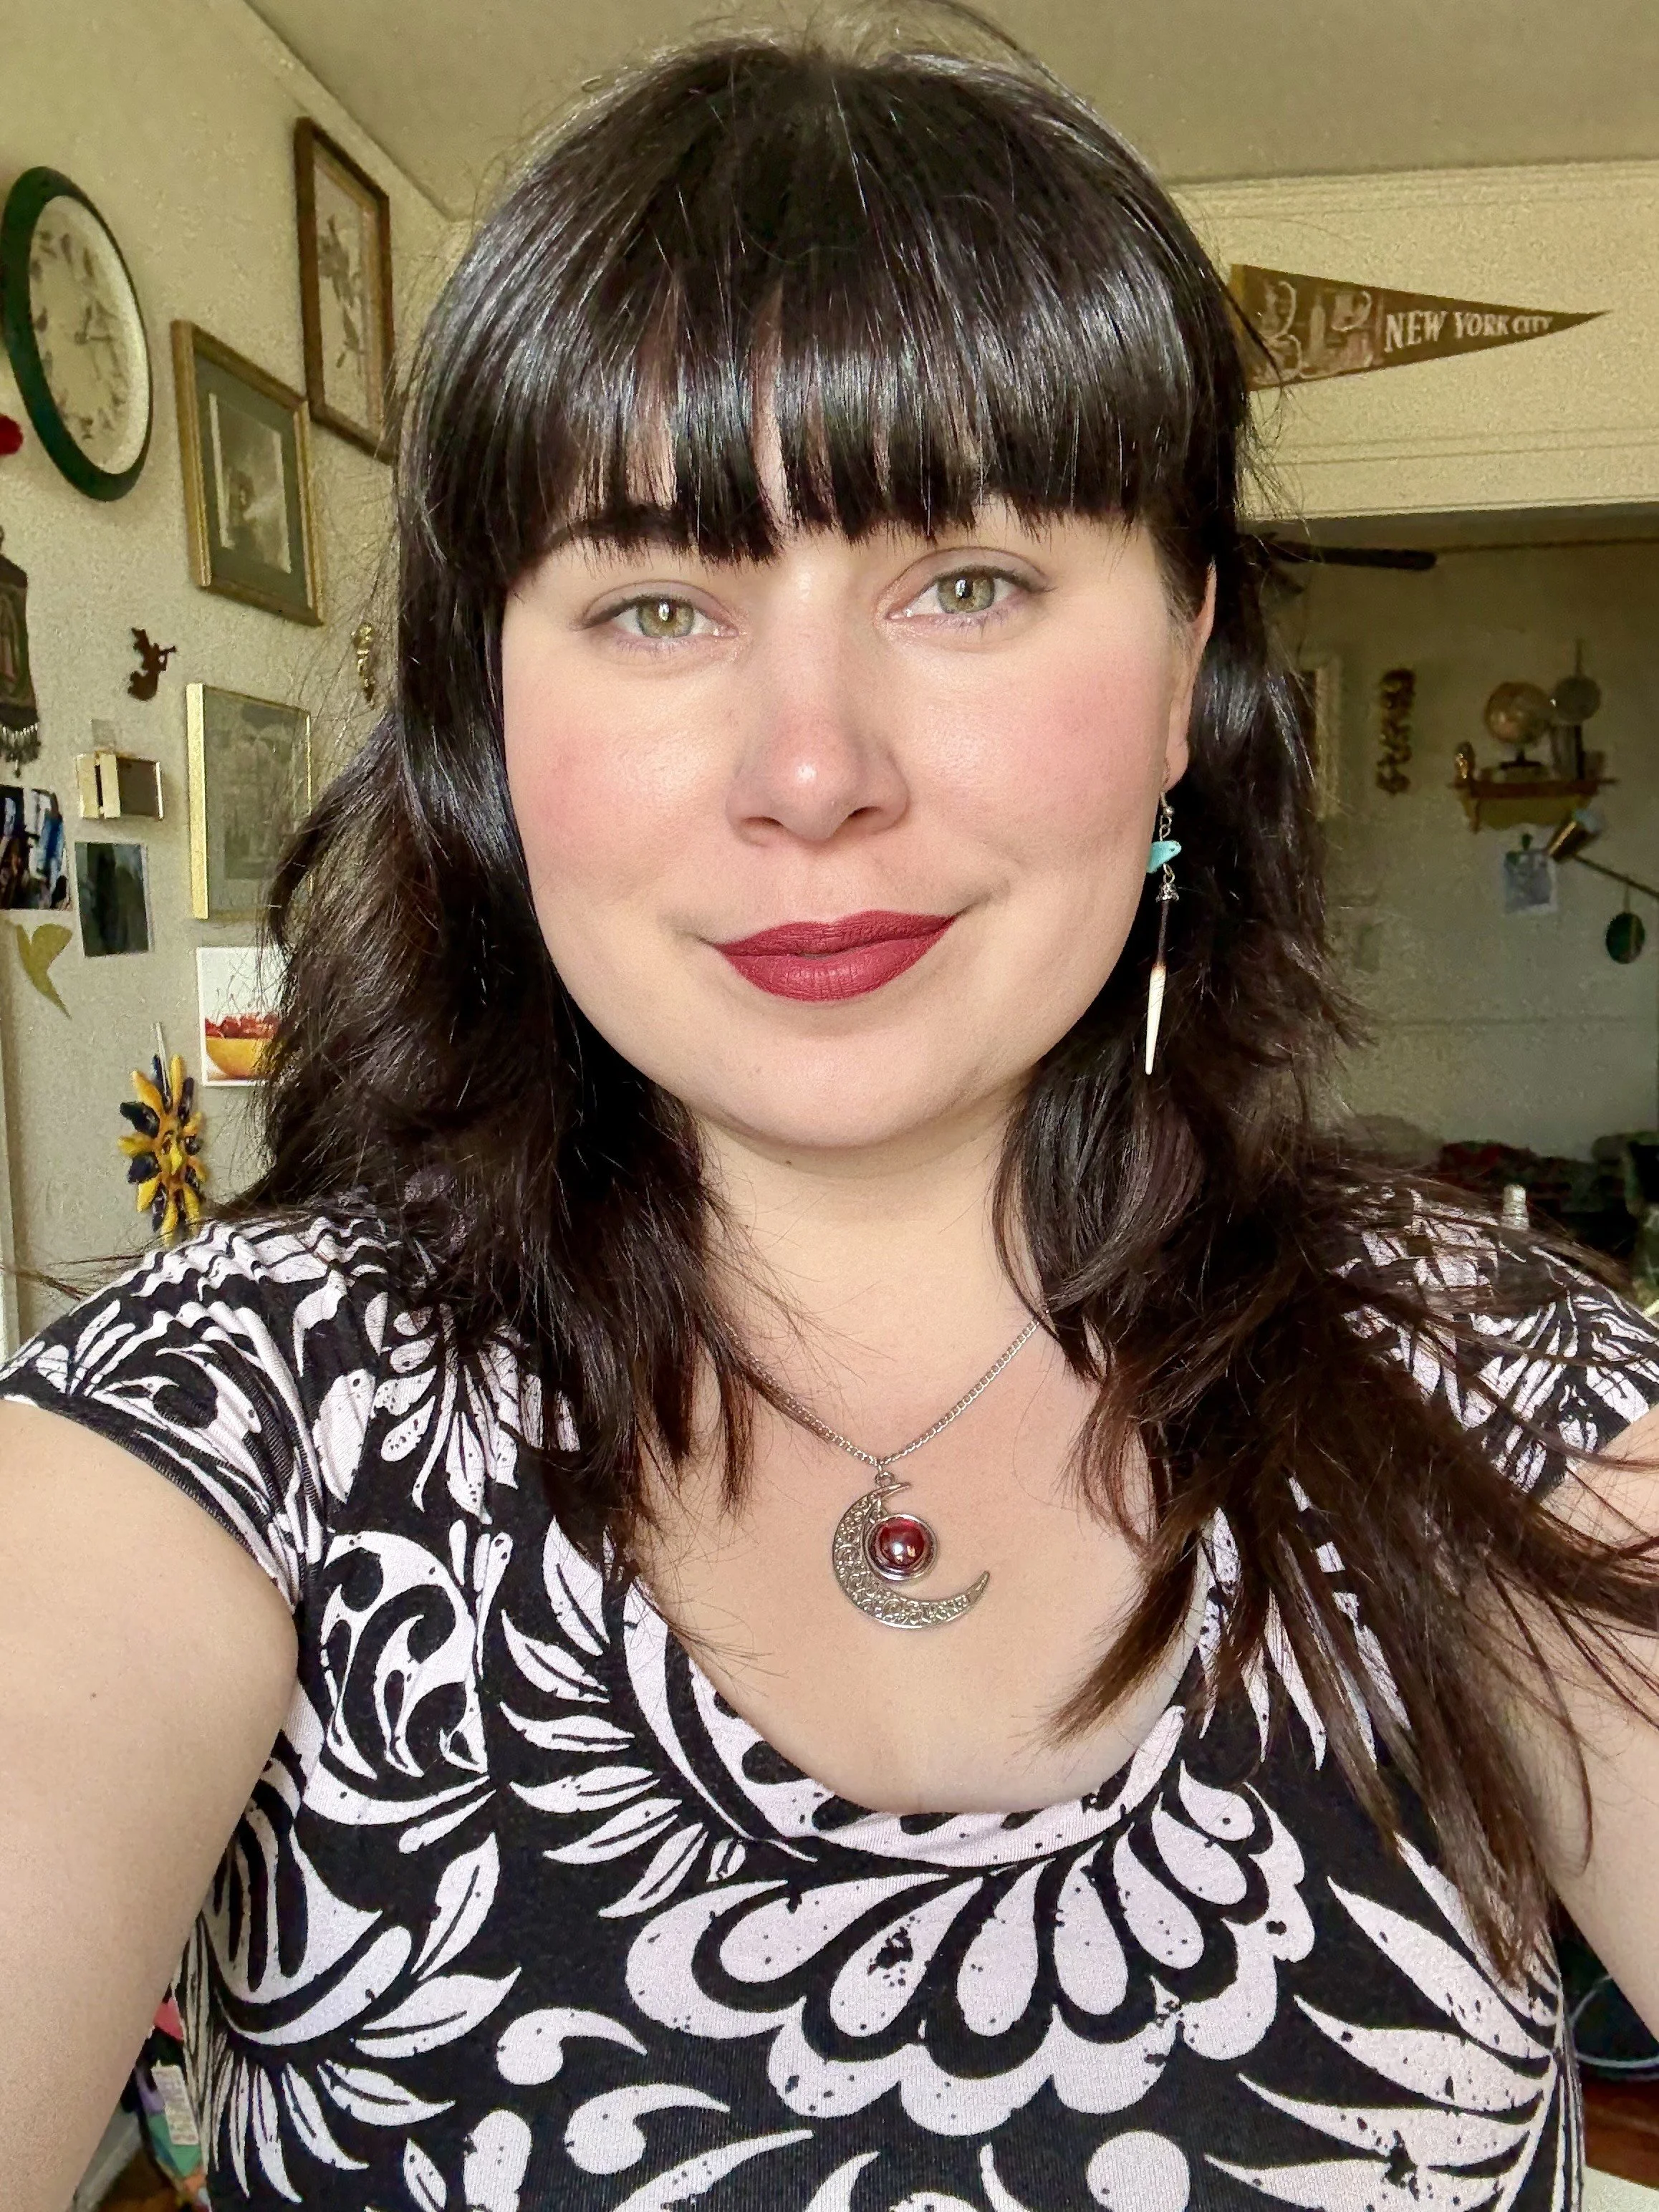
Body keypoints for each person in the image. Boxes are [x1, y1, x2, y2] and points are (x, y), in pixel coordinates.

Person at [3, 21, 1657, 2212]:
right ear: (490, 721)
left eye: (963, 584)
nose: (811, 769)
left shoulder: (1496, 1390)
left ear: (1178, 676)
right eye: (655, 601)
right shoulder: (216, 1427)